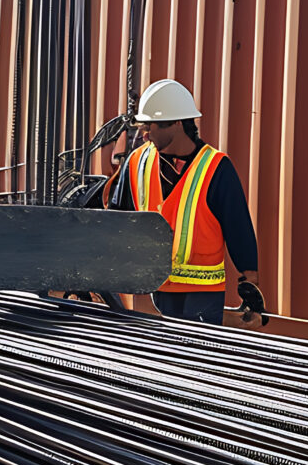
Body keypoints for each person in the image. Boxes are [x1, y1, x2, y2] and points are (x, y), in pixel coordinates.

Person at [106, 79, 266, 327]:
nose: (146, 132)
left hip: (201, 295)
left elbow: (238, 228)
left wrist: (250, 283)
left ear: (177, 123)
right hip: (151, 290)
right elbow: (116, 219)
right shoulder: (137, 162)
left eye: (152, 125)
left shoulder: (216, 168)